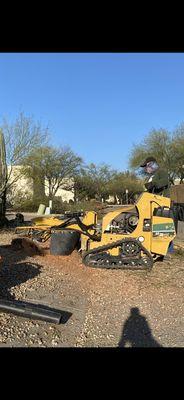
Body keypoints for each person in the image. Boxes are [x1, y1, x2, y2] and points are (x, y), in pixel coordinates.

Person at [140, 156, 174, 255]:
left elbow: (164, 182)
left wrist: (153, 184)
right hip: (154, 203)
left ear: (152, 164)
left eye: (147, 166)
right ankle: (156, 248)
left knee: (164, 226)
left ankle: (168, 251)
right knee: (156, 226)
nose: (146, 169)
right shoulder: (151, 176)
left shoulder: (161, 172)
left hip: (162, 203)